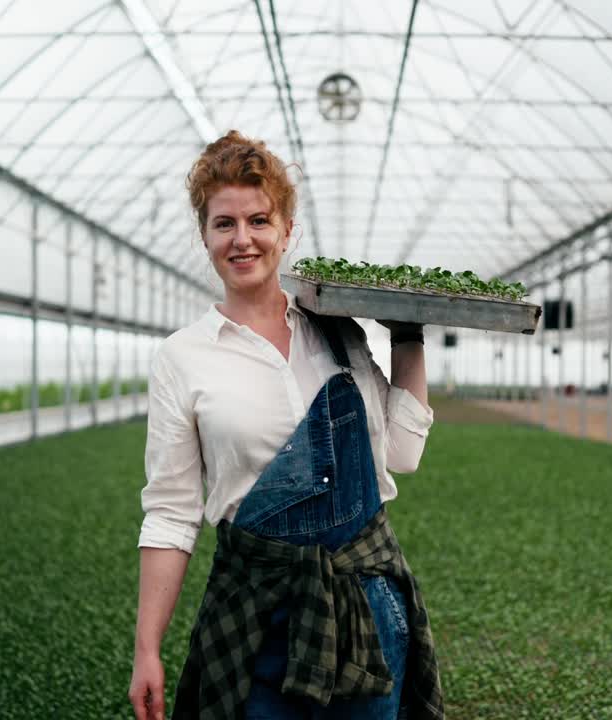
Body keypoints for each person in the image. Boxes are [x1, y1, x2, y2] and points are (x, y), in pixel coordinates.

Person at [128, 130, 444, 720]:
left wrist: (409, 331)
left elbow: (401, 453)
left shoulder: (337, 331)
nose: (242, 239)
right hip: (255, 613)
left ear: (286, 230)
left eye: (259, 220)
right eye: (224, 224)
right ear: (205, 235)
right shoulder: (183, 356)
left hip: (364, 608)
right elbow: (171, 511)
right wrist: (147, 647)